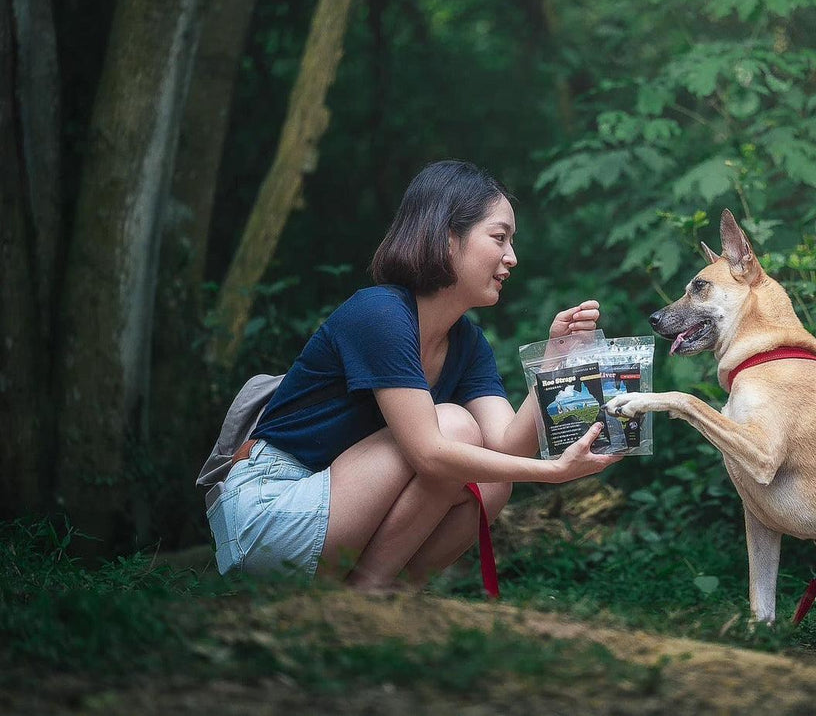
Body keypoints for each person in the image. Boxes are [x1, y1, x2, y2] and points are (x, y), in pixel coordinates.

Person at [206, 160, 621, 590]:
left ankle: (383, 601)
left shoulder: (468, 344)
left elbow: (507, 448)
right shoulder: (380, 314)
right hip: (269, 508)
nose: (512, 257)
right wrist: (555, 473)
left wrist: (554, 359)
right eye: (499, 238)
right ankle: (364, 599)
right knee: (454, 428)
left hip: (337, 510)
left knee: (493, 483)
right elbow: (429, 452)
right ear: (447, 238)